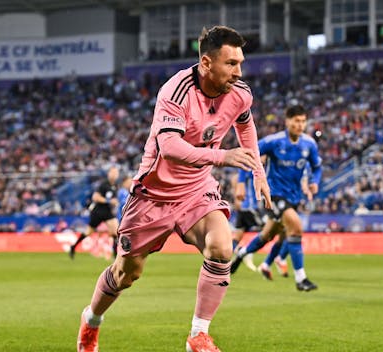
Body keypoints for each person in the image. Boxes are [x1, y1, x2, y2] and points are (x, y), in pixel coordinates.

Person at [76, 26, 271, 352]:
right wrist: (223, 156)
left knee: (222, 246)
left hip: (196, 190)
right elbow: (170, 147)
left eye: (240, 62)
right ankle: (92, 319)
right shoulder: (175, 91)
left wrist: (258, 172)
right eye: (231, 64)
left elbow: (245, 124)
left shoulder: (240, 92)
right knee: (127, 273)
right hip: (153, 196)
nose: (239, 71)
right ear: (207, 63)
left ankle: (199, 334)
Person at [230, 104, 321, 291]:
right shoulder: (274, 141)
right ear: (287, 121)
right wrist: (240, 182)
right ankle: (301, 279)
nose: (300, 125)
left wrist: (315, 182)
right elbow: (250, 152)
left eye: (303, 121)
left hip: (294, 197)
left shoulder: (309, 144)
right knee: (295, 228)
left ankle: (242, 253)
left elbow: (317, 166)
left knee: (268, 235)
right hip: (274, 195)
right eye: (296, 121)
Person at [70, 167, 120, 259]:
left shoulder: (116, 185)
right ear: (109, 174)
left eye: (116, 173)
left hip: (108, 212)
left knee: (115, 231)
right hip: (98, 211)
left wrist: (115, 203)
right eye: (113, 173)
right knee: (88, 232)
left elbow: (114, 199)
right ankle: (73, 247)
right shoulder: (104, 184)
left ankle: (115, 254)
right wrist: (109, 201)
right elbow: (95, 197)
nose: (114, 175)